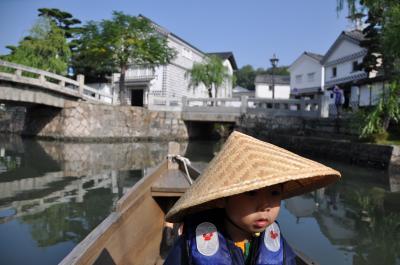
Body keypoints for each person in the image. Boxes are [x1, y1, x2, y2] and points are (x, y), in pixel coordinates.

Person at [164, 131, 341, 265]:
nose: (265, 206)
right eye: (251, 193)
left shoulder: (275, 241)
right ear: (224, 197)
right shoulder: (192, 243)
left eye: (274, 193)